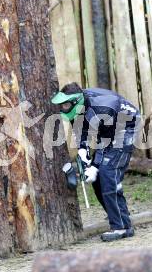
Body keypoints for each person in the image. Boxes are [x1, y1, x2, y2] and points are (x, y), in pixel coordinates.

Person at [51, 82, 141, 242]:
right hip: (109, 130)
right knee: (98, 179)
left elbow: (106, 143)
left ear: (75, 102)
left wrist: (94, 166)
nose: (63, 108)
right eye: (62, 105)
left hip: (127, 126)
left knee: (107, 172)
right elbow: (80, 130)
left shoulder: (103, 109)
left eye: (65, 105)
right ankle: (120, 219)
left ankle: (121, 227)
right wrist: (82, 150)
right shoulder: (76, 108)